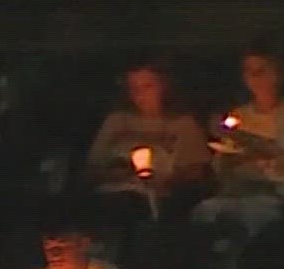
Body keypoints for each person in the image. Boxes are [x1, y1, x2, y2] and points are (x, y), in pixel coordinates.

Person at [196, 44, 284, 238]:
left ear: (279, 74)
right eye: (249, 71)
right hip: (235, 192)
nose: (254, 77)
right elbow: (224, 164)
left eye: (261, 71)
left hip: (272, 195)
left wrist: (244, 141)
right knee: (205, 214)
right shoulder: (239, 115)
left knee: (251, 221)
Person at [85, 57, 209, 214]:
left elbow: (195, 171)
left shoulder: (182, 123)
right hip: (113, 195)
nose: (140, 94)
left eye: (147, 86)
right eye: (133, 88)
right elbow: (92, 168)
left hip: (161, 200)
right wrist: (114, 174)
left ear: (163, 86)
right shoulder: (116, 121)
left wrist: (164, 181)